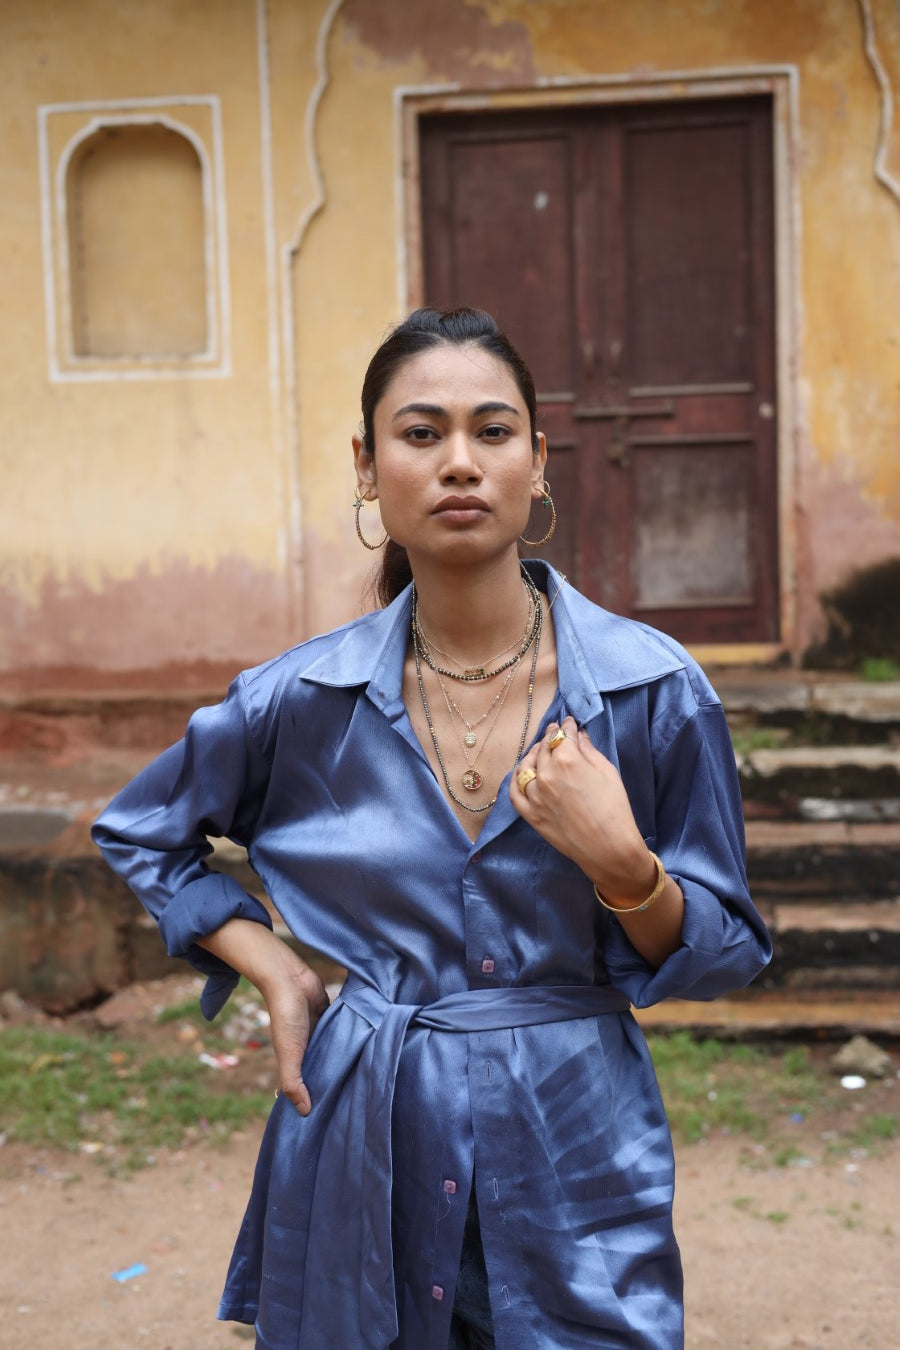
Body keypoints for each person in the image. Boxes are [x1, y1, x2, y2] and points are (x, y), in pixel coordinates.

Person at [92, 307, 771, 1350]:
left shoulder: (650, 692)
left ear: (539, 464)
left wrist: (626, 867)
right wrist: (272, 967)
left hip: (575, 1142)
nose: (460, 462)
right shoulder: (298, 701)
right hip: (362, 1130)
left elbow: (724, 956)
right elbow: (143, 830)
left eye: (493, 432)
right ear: (368, 468)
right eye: (422, 434)